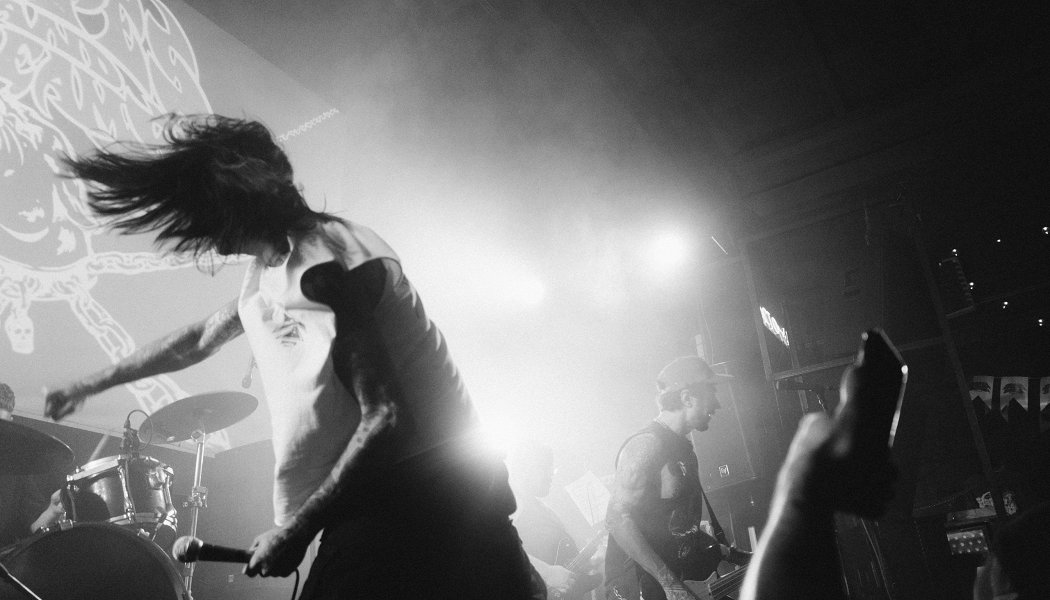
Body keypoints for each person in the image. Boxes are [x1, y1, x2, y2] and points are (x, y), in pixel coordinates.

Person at [43, 114, 539, 600]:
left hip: (424, 497)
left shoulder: (324, 264)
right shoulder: (273, 269)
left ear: (239, 197)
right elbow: (199, 338)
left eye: (205, 208)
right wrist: (93, 383)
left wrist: (296, 531)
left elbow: (386, 417)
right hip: (406, 496)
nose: (200, 229)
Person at [604, 356, 751, 600]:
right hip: (638, 589)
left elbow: (680, 528)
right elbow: (616, 519)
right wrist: (669, 584)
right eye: (711, 393)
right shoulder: (646, 445)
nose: (717, 404)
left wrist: (733, 555)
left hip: (673, 581)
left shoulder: (685, 450)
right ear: (687, 397)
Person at [508, 440, 603, 599]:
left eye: (552, 468)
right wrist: (548, 573)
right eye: (546, 467)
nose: (552, 474)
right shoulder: (512, 503)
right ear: (525, 469)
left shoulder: (543, 508)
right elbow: (500, 548)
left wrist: (583, 564)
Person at [0, 383, 66, 548]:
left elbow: (30, 532)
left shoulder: (18, 471)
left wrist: (52, 511)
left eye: (3, 426)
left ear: (11, 424)